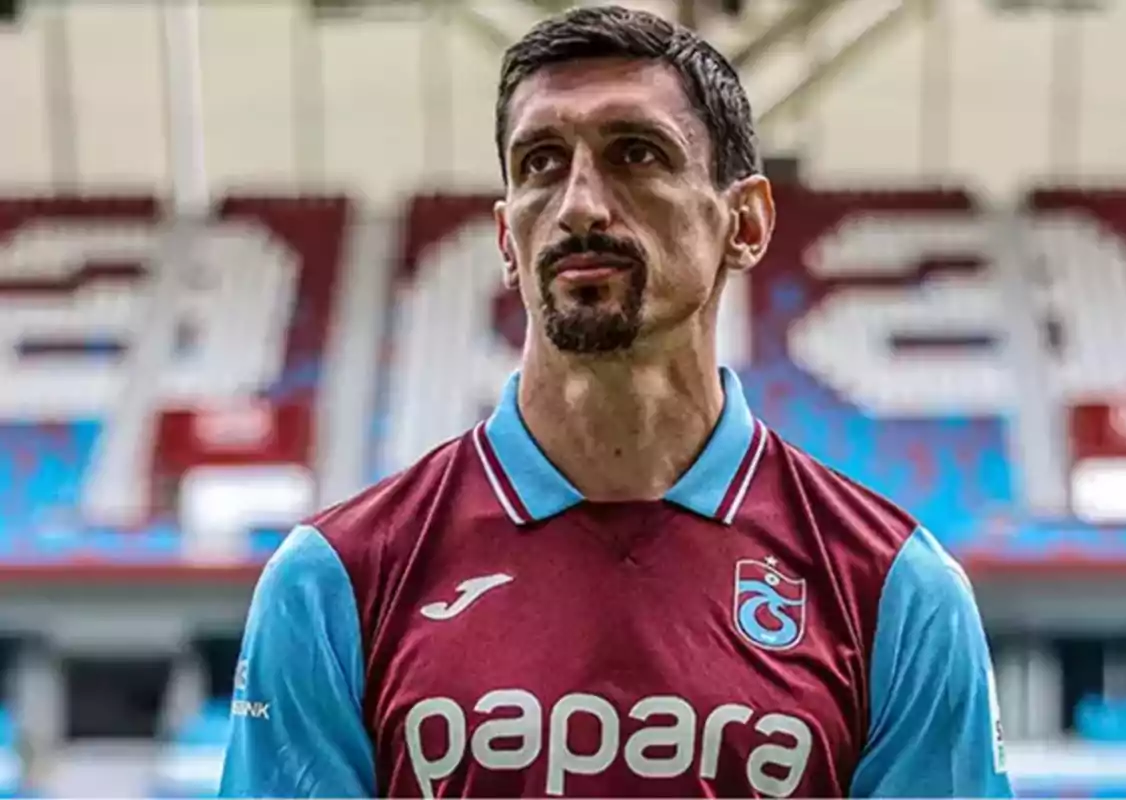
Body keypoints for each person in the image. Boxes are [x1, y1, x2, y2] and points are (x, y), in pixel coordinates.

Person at [218, 5, 1014, 798]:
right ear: (505, 238)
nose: (579, 206)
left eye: (635, 153)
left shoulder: (894, 591)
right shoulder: (334, 584)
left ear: (746, 221)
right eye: (540, 163)